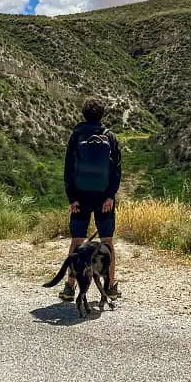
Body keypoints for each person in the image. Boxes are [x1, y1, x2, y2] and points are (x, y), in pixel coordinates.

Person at [59, 97, 122, 302]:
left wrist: (72, 198)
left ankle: (70, 287)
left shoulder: (76, 136)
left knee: (77, 242)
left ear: (83, 114)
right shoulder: (110, 137)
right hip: (104, 198)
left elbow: (68, 169)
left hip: (81, 197)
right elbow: (117, 170)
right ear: (102, 115)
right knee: (107, 243)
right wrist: (110, 196)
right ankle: (110, 286)